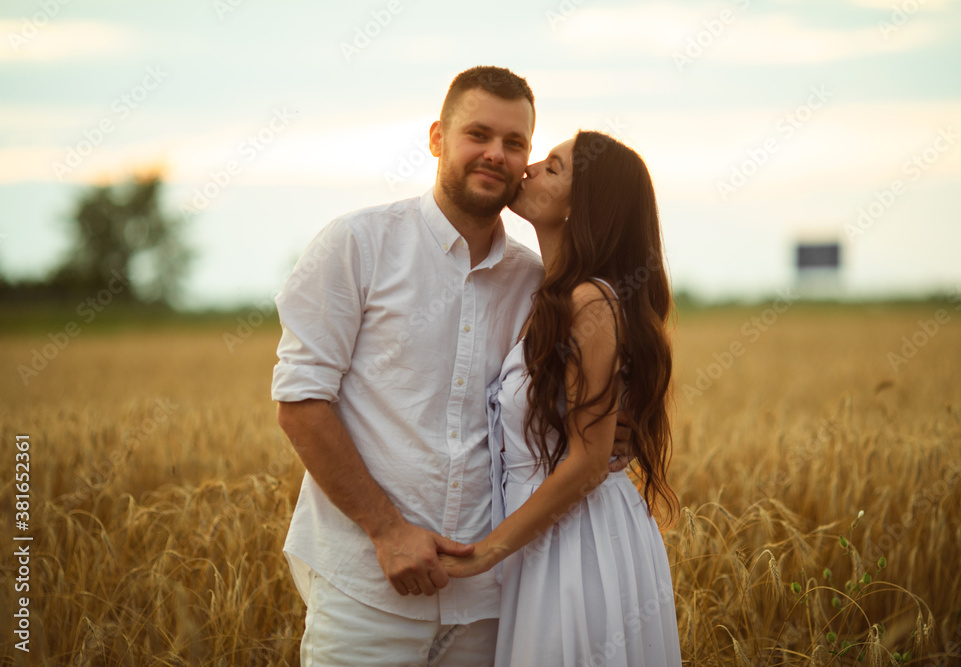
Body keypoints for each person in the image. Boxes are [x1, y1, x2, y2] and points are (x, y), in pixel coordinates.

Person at [271, 67, 630, 665]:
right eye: (478, 134)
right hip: (367, 591)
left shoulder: (539, 284)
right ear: (438, 136)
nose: (496, 153)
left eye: (515, 143)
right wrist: (387, 531)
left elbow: (581, 404)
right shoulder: (356, 245)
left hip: (491, 602)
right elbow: (301, 405)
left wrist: (619, 431)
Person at [439, 131, 684, 666]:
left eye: (553, 167)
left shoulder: (588, 300)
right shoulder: (550, 293)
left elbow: (591, 459)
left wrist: (487, 551)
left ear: (585, 204)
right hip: (548, 535)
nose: (527, 169)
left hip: (578, 544)